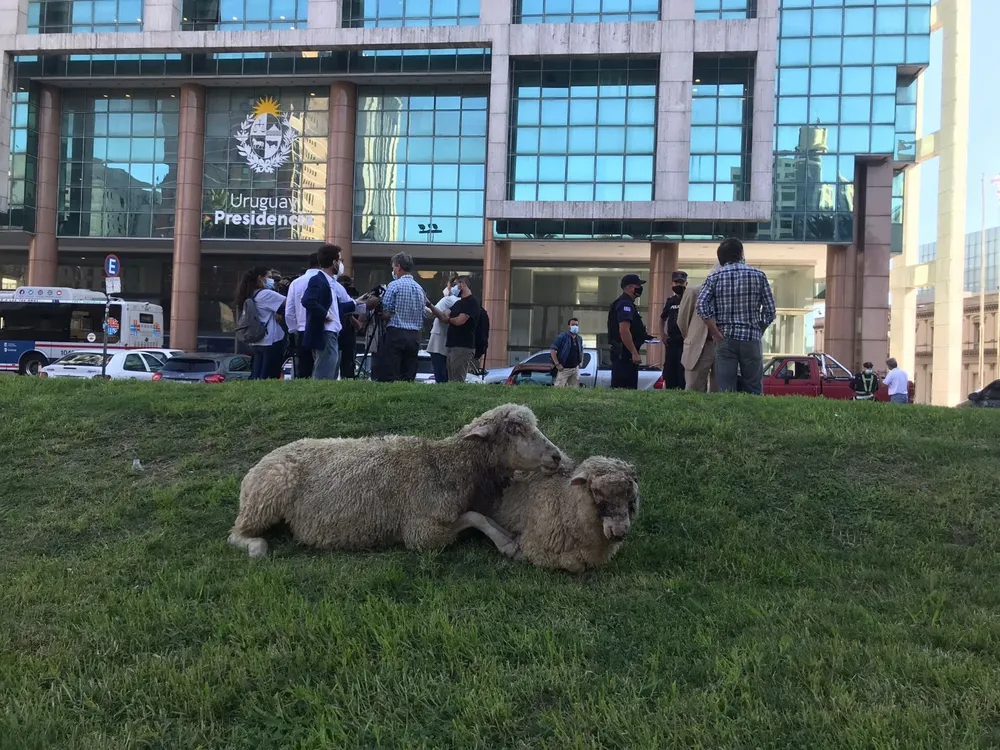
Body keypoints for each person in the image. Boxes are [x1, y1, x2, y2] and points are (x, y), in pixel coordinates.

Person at [696, 238, 776, 395]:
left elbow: (700, 305)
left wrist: (714, 331)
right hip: (751, 337)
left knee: (726, 389)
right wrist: (760, 328)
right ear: (741, 253)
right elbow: (770, 310)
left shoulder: (714, 277)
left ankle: (728, 418)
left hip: (724, 337)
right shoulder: (759, 275)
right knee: (753, 387)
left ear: (721, 257)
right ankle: (753, 418)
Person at [301, 244, 358, 380]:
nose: (341, 264)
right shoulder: (318, 280)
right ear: (334, 262)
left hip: (333, 333)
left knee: (331, 373)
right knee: (324, 375)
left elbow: (337, 308)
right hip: (325, 333)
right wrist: (326, 315)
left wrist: (357, 303)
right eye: (340, 260)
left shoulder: (330, 282)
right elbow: (307, 301)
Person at [372, 252, 426, 382]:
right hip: (414, 336)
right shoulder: (420, 289)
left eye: (393, 267)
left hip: (396, 333)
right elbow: (423, 313)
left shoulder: (394, 286)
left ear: (398, 267)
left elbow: (387, 313)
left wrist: (378, 309)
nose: (393, 271)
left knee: (391, 373)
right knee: (408, 374)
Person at [235, 266, 286, 380]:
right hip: (269, 339)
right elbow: (288, 302)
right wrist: (285, 288)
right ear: (260, 278)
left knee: (257, 374)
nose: (272, 280)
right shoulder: (265, 294)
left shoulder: (250, 294)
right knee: (269, 375)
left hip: (256, 340)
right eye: (269, 277)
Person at [430, 274, 481, 384]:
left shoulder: (472, 302)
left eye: (455, 285)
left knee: (457, 380)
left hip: (463, 346)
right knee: (451, 380)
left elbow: (460, 320)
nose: (452, 289)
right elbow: (444, 315)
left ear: (462, 285)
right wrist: (430, 306)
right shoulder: (458, 303)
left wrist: (449, 319)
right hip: (453, 347)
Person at [677, 266, 719, 393]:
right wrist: (691, 337)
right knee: (694, 388)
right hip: (700, 345)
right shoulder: (693, 291)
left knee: (720, 389)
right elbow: (682, 320)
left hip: (722, 345)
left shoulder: (730, 293)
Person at [607, 273, 652, 390]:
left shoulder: (627, 304)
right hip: (625, 355)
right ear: (630, 287)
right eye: (638, 285)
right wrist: (634, 352)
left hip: (625, 354)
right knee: (624, 389)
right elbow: (624, 330)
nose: (640, 288)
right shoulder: (624, 304)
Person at [283, 252, 321, 380]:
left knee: (304, 370)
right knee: (323, 370)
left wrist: (293, 330)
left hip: (302, 330)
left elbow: (289, 311)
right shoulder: (327, 281)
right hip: (323, 329)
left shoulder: (296, 283)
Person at [425, 277, 460, 383]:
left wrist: (424, 304)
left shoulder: (448, 300)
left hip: (438, 343)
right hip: (451, 343)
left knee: (440, 374)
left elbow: (432, 313)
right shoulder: (463, 301)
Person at [337, 274, 364, 380]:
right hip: (336, 337)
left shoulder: (355, 303)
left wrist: (350, 316)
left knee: (348, 371)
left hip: (349, 340)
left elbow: (360, 326)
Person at [549, 318, 584, 388]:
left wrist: (581, 362)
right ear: (569, 326)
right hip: (564, 368)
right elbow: (553, 350)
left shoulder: (579, 338)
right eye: (573, 325)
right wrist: (557, 364)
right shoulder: (562, 337)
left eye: (576, 325)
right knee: (559, 389)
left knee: (574, 390)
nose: (575, 326)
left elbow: (581, 350)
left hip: (575, 369)